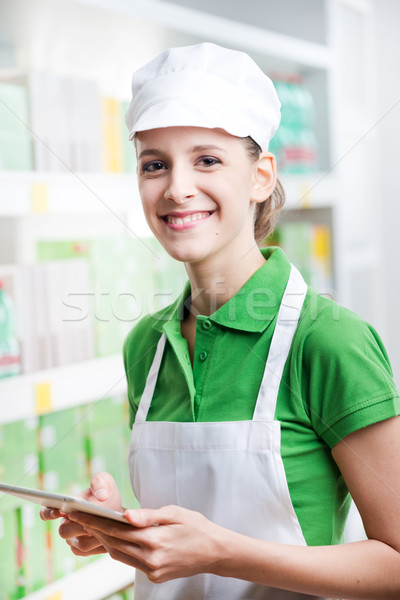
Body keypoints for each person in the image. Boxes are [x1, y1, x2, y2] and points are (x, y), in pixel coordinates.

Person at [41, 43, 400, 599]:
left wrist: (223, 552)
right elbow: (186, 533)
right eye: (154, 164)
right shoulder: (147, 345)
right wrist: (120, 527)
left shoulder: (327, 339)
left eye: (206, 160)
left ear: (260, 177)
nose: (177, 187)